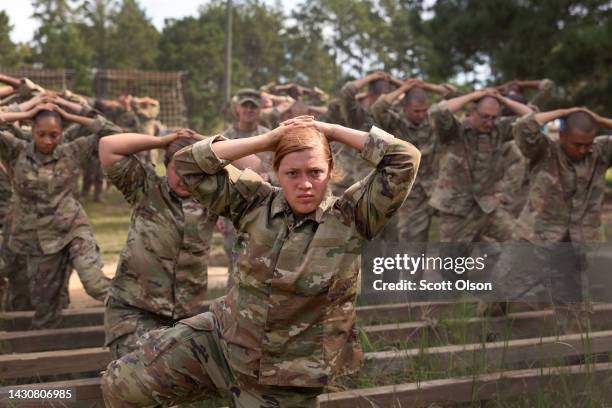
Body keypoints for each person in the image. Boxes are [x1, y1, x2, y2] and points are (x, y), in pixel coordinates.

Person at [101, 116, 421, 407]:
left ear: (330, 171)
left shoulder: (354, 216)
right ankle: (217, 388)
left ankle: (229, 394)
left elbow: (405, 158)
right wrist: (267, 141)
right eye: (292, 173)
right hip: (221, 342)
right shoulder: (255, 202)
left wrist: (332, 131)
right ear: (277, 173)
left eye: (315, 172)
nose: (305, 184)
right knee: (122, 385)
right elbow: (187, 164)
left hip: (286, 376)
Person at [99, 129, 260, 359]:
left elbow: (255, 167)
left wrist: (206, 142)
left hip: (184, 316)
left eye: (191, 170)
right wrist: (161, 141)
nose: (184, 177)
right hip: (135, 310)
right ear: (166, 166)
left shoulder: (211, 198)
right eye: (177, 168)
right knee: (142, 371)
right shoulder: (145, 188)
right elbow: (107, 146)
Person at [0, 101, 118, 328]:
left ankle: (136, 313)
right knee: (43, 308)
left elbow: (112, 133)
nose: (47, 141)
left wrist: (71, 114)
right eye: (41, 134)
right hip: (38, 240)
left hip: (70, 229)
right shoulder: (16, 150)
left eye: (54, 135)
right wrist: (28, 111)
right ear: (32, 130)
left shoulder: (72, 151)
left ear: (61, 133)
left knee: (93, 284)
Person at [494, 108, 612, 305]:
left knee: (572, 304)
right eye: (577, 144)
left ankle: (567, 334)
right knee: (498, 296)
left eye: (587, 145)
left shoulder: (600, 152)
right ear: (562, 135)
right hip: (535, 238)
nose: (583, 150)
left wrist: (598, 118)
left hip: (576, 243)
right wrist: (564, 112)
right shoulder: (543, 150)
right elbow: (524, 127)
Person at [428, 89, 533, 244]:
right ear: (472, 112)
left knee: (521, 242)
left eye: (493, 117)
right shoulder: (453, 131)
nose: (489, 122)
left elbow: (531, 118)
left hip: (486, 208)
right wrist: (472, 96)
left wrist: (502, 99)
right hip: (456, 211)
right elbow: (438, 111)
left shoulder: (500, 129)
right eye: (485, 117)